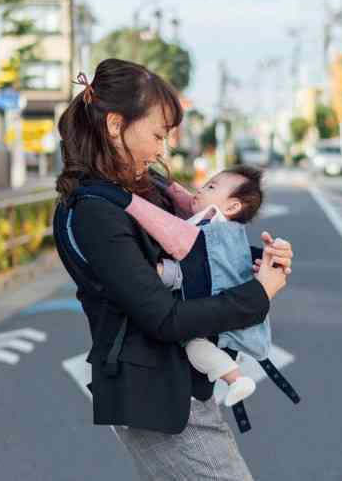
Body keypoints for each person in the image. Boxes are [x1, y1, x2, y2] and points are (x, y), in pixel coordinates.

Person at [53, 58, 294, 481]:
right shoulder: (95, 211)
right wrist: (258, 295)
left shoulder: (150, 191)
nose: (162, 149)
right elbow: (164, 318)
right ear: (114, 125)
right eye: (158, 135)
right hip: (158, 403)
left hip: (182, 389)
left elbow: (201, 255)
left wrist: (259, 264)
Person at [75, 165, 275, 407]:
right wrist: (157, 179)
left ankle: (234, 378)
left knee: (195, 347)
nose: (200, 190)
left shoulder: (210, 234)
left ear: (232, 206)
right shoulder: (226, 230)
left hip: (211, 321)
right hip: (218, 313)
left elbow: (161, 225)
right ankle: (234, 377)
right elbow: (184, 199)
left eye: (211, 187)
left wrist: (114, 195)